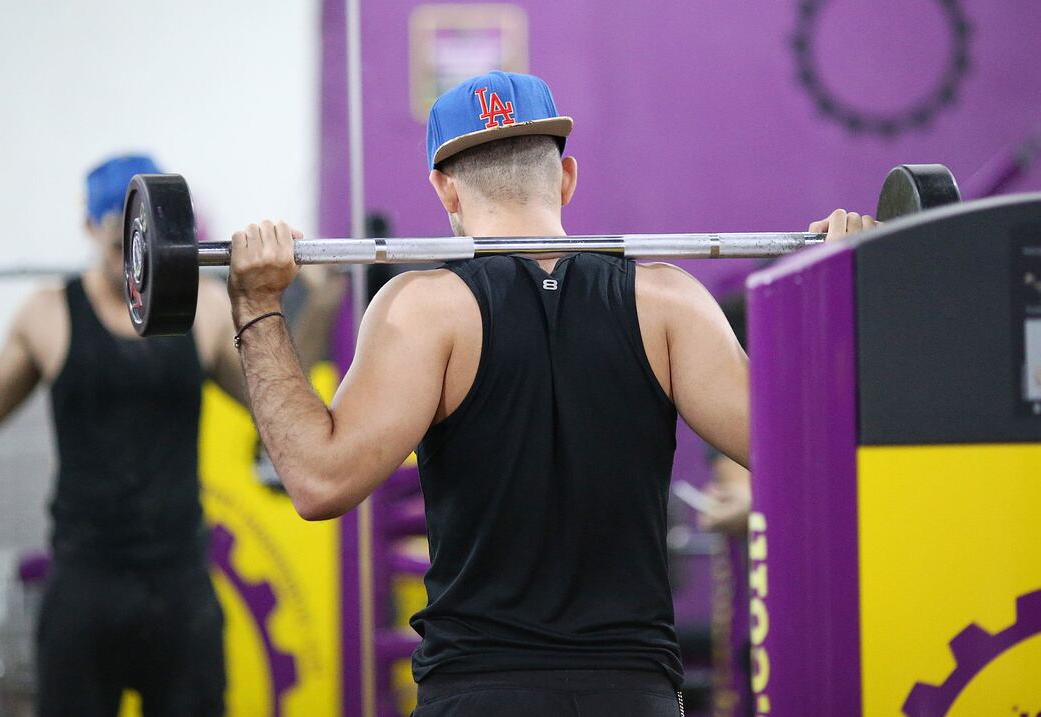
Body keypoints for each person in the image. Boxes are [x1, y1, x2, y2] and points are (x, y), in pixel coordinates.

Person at [223, 72, 875, 717]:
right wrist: (845, 288)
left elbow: (317, 481)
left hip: (477, 694)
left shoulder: (423, 311)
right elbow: (817, 455)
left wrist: (257, 303)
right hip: (633, 696)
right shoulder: (670, 304)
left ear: (444, 189)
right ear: (566, 177)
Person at [0, 154, 343, 717]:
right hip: (84, 581)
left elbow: (274, 405)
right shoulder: (48, 313)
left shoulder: (203, 310)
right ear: (89, 227)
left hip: (179, 583)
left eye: (139, 243)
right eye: (116, 243)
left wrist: (320, 303)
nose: (131, 259)